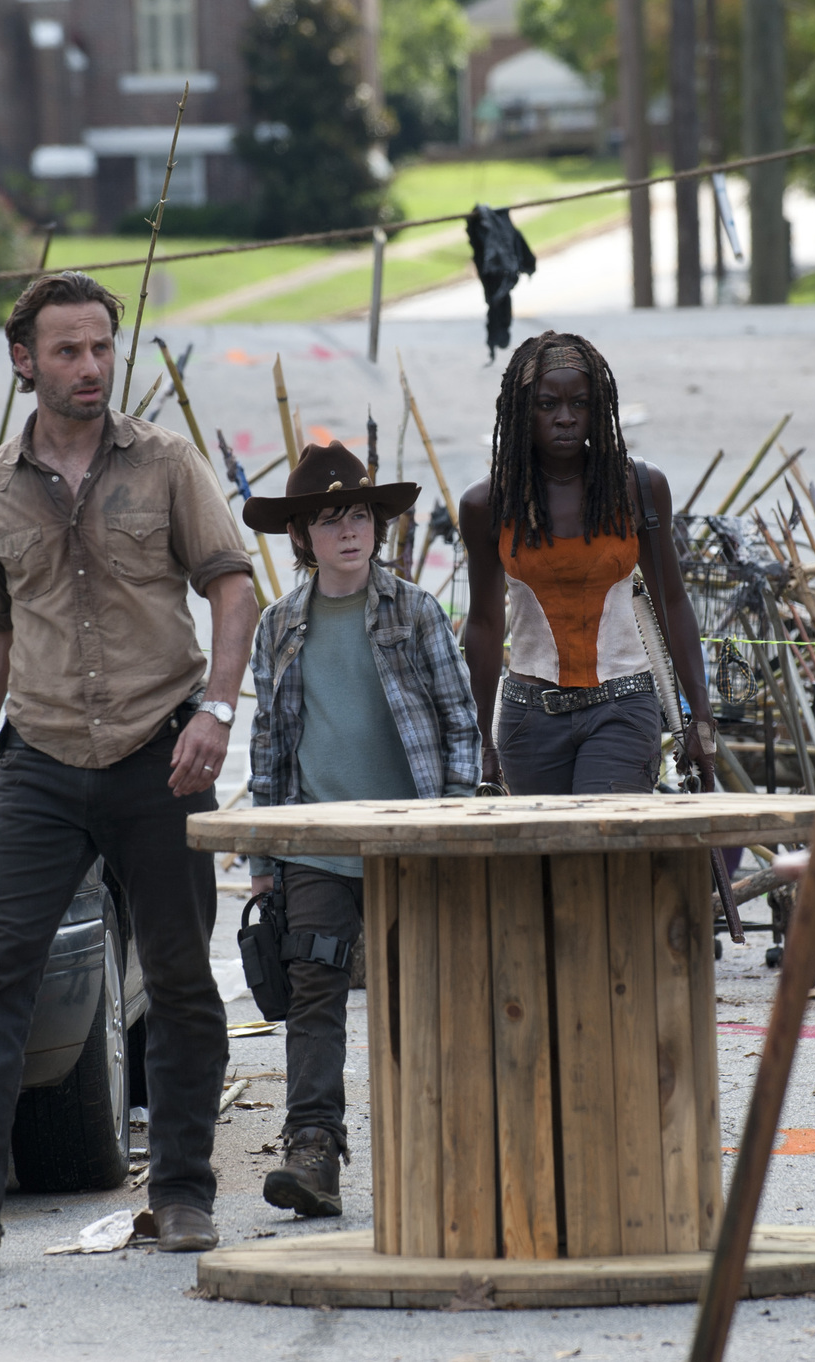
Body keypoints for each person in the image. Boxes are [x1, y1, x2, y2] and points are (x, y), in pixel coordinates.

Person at [0, 271, 258, 1268]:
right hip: (42, 763)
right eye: (66, 350)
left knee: (182, 983)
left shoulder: (168, 465)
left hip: (163, 754)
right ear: (24, 362)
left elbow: (234, 591)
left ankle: (182, 1197)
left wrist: (218, 713)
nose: (89, 366)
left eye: (100, 347)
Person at [241, 441, 479, 1217]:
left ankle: (438, 1150)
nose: (347, 530)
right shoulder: (279, 625)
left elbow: (459, 726)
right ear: (302, 537)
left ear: (376, 525)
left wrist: (444, 827)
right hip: (316, 846)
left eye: (359, 514)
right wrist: (264, 856)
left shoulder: (413, 611)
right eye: (327, 518)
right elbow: (269, 745)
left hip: (409, 839)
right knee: (313, 989)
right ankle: (313, 1152)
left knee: (421, 993)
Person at [461, 331, 718, 795]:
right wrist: (482, 736)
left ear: (598, 410)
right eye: (546, 405)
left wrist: (699, 713)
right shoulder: (488, 503)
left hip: (623, 707)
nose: (565, 418)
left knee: (607, 849)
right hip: (528, 716)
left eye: (579, 403)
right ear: (522, 413)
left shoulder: (639, 487)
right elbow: (482, 623)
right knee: (544, 863)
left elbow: (673, 601)